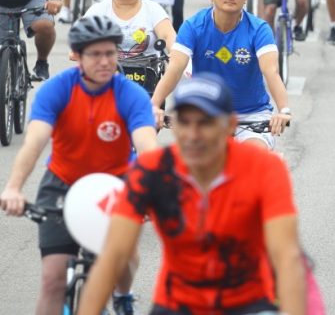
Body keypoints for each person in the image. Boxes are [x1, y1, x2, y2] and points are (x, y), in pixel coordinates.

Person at [78, 73, 306, 315]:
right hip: (177, 304)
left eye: (205, 122)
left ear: (229, 125)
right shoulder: (152, 170)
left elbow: (287, 258)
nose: (193, 135)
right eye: (184, 122)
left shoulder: (265, 169)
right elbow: (114, 254)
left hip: (248, 303)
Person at [0, 15, 158, 315]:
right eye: (95, 54)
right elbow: (34, 143)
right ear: (77, 56)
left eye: (110, 53)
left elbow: (148, 147)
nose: (105, 61)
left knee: (122, 258)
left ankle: (123, 296)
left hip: (115, 185)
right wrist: (13, 188)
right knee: (52, 279)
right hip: (62, 182)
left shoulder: (130, 94)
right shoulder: (57, 89)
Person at [151, 0, 291, 150]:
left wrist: (284, 110)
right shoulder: (193, 26)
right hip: (207, 115)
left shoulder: (259, 29)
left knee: (252, 158)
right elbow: (176, 68)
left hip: (252, 115)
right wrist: (154, 105)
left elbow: (271, 71)